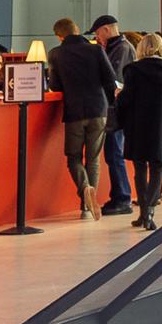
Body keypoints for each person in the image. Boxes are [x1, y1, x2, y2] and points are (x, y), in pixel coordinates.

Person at [47, 17, 118, 221]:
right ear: (77, 30)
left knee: (74, 157)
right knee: (94, 159)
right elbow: (109, 78)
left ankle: (85, 190)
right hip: (98, 109)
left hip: (74, 112)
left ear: (60, 36)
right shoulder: (96, 50)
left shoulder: (56, 54)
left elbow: (55, 86)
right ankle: (86, 207)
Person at [115, 33, 162, 231]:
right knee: (157, 168)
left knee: (140, 169)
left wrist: (119, 96)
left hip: (138, 125)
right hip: (161, 125)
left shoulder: (132, 70)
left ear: (141, 49)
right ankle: (150, 210)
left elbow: (126, 100)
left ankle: (143, 212)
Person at [90, 15, 136, 216]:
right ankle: (120, 195)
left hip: (114, 111)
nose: (97, 37)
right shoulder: (119, 47)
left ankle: (122, 197)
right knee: (113, 153)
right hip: (114, 109)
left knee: (114, 153)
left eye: (97, 32)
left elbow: (112, 78)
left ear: (107, 29)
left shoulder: (121, 49)